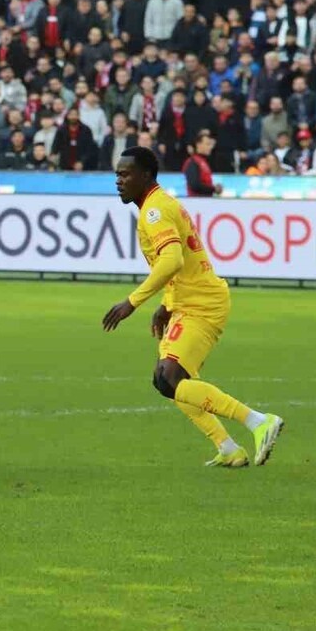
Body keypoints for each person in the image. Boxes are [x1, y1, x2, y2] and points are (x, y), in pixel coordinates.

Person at [102, 147, 284, 467]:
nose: (119, 181)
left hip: (201, 303)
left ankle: (259, 421)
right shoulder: (158, 204)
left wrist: (132, 302)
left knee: (168, 378)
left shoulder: (154, 211)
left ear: (145, 176)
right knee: (170, 380)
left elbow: (171, 260)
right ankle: (228, 448)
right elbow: (180, 263)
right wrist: (166, 304)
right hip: (190, 300)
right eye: (117, 174)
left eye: (125, 174)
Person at [182, 130, 221, 196]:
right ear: (198, 144)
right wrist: (214, 189)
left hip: (205, 201)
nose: (210, 147)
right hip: (197, 202)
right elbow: (194, 185)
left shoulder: (203, 161)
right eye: (207, 144)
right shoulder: (192, 162)